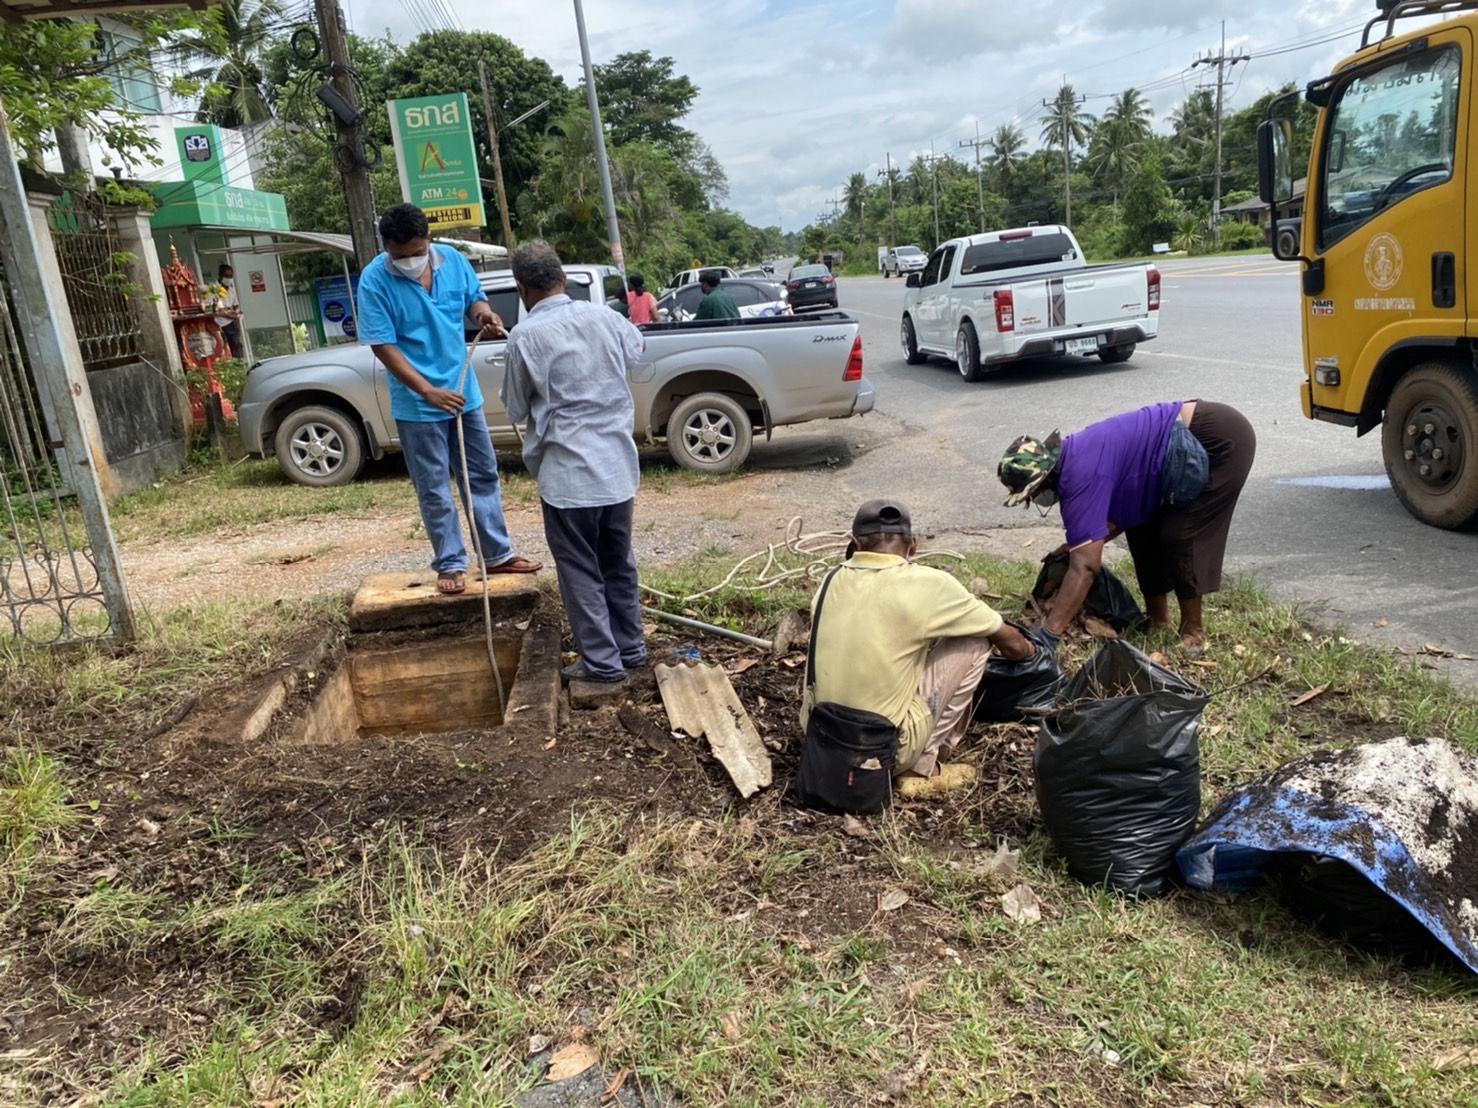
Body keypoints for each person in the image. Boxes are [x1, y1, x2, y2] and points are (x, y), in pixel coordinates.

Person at [356, 202, 541, 595]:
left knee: (482, 475)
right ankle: (451, 562)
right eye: (400, 255)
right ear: (386, 246)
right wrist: (426, 390)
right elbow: (382, 345)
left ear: (428, 241)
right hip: (418, 403)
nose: (410, 260)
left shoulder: (454, 260)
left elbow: (475, 299)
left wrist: (484, 315)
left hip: (463, 393)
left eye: (417, 252)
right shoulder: (374, 280)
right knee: (434, 485)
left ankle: (497, 554)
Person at [800, 499, 1038, 798]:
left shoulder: (829, 581)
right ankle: (921, 765)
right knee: (974, 641)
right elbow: (1010, 642)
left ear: (853, 544)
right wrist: (1035, 654)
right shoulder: (928, 584)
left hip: (821, 737)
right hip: (879, 747)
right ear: (913, 545)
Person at [998, 400, 1256, 653]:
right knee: (1142, 531)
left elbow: (1086, 567)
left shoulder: (1080, 477)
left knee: (1180, 535)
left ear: (1045, 479)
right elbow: (1111, 521)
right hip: (1179, 451)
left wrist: (1049, 634)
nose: (1035, 501)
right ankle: (1158, 621)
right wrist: (1072, 546)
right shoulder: (1074, 459)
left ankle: (1193, 633)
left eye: (1032, 495)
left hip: (1217, 439)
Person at [501, 240, 647, 685]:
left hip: (567, 478)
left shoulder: (524, 336)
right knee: (617, 560)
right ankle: (631, 648)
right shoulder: (605, 317)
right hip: (616, 468)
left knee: (581, 568)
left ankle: (603, 665)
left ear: (522, 289)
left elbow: (513, 407)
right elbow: (636, 351)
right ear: (563, 279)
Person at [215, 263, 244, 358]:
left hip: (231, 323)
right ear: (220, 276)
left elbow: (236, 306)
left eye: (230, 276)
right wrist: (230, 314)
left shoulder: (231, 290)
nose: (229, 278)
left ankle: (239, 364)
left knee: (237, 346)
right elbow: (216, 309)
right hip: (219, 324)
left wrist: (236, 316)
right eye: (226, 276)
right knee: (223, 349)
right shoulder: (214, 290)